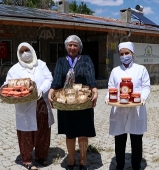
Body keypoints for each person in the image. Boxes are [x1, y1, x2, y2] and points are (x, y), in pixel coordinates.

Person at [0, 42, 54, 170]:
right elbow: (8, 84)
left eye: (26, 50)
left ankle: (41, 156)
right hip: (25, 105)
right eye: (21, 51)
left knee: (43, 130)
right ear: (18, 54)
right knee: (25, 132)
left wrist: (41, 90)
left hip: (41, 103)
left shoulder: (41, 64)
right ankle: (27, 160)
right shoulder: (15, 69)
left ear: (32, 50)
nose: (24, 53)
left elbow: (49, 79)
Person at [48, 35, 98, 170]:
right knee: (69, 132)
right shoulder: (61, 62)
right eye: (70, 45)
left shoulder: (86, 59)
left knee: (83, 131)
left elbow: (90, 75)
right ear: (66, 46)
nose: (72, 47)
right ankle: (71, 159)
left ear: (79, 47)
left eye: (75, 45)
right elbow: (57, 78)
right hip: (66, 103)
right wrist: (52, 90)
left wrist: (94, 89)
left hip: (82, 101)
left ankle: (82, 160)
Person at [105, 42, 150, 170]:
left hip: (136, 109)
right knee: (119, 140)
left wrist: (142, 98)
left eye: (127, 53)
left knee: (136, 140)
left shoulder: (141, 69)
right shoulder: (115, 71)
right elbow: (111, 88)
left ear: (132, 54)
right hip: (119, 109)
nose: (124, 56)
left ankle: (136, 166)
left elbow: (146, 87)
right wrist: (108, 98)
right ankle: (120, 165)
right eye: (122, 54)